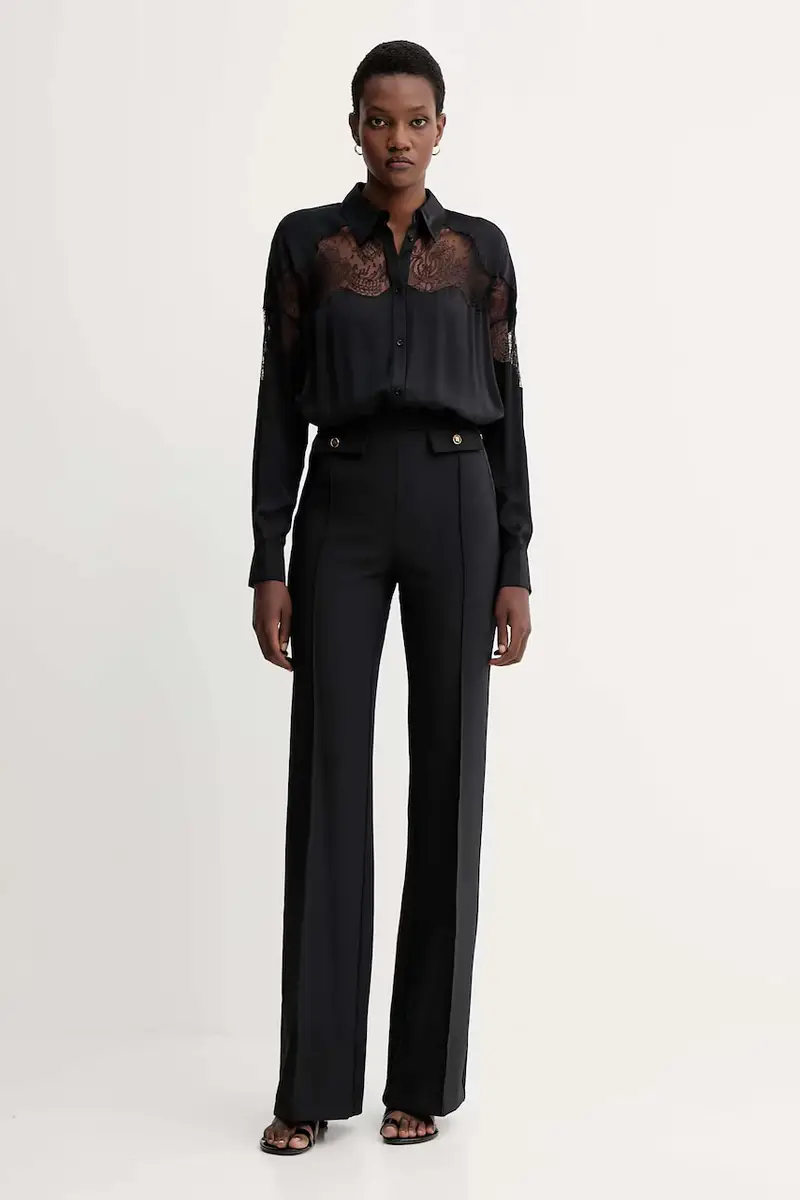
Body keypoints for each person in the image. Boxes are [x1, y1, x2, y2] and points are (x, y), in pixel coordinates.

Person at [251, 39, 533, 1156]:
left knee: (448, 777)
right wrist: (267, 556)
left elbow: (510, 403)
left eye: (417, 121)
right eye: (379, 119)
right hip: (344, 504)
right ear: (354, 127)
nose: (398, 139)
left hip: (459, 502)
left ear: (441, 129)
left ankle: (422, 1078)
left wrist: (515, 559)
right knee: (330, 776)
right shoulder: (306, 246)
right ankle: (312, 1085)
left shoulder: (481, 253)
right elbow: (279, 400)